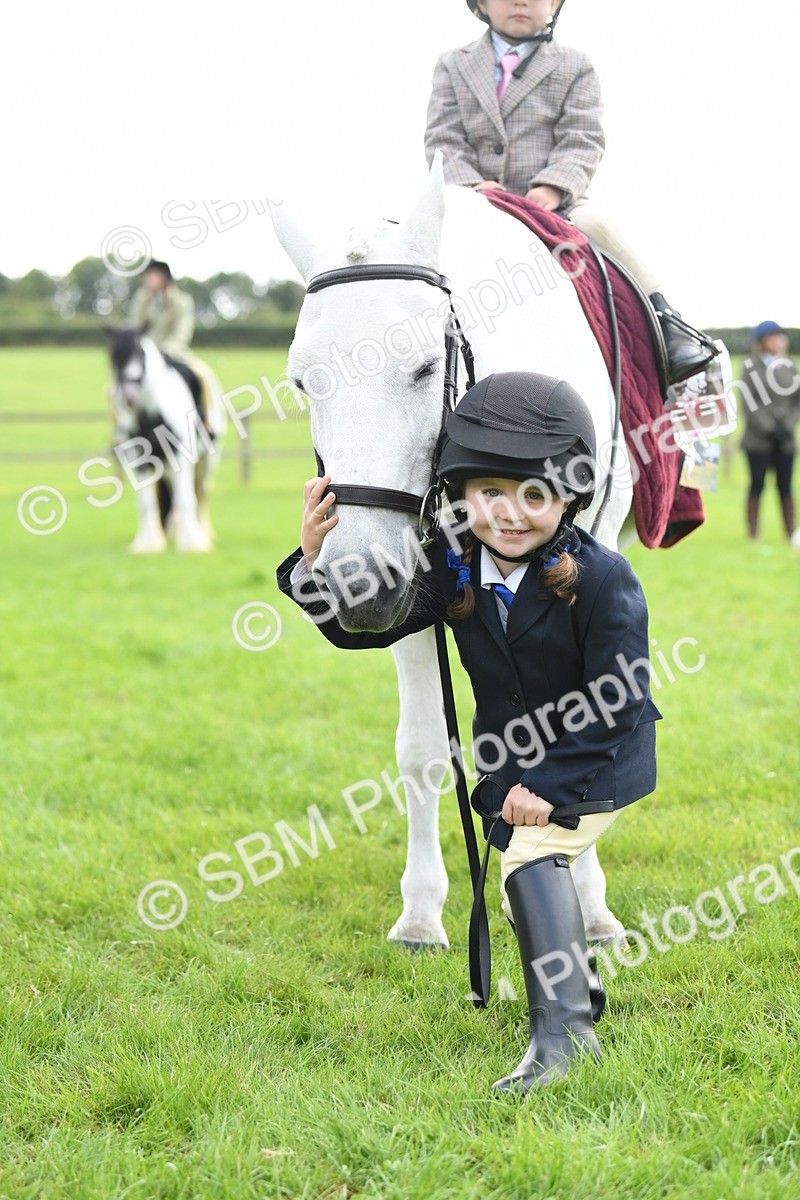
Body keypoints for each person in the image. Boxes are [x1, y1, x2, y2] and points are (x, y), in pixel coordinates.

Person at [277, 371, 661, 1093]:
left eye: (534, 496)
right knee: (523, 853)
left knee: (530, 858)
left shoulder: (605, 578)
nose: (509, 515)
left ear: (572, 498)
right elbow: (362, 631)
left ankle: (566, 1038)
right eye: (489, 494)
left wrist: (544, 788)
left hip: (594, 763)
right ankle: (581, 990)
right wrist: (313, 563)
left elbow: (620, 700)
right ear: (457, 496)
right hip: (512, 770)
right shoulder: (453, 571)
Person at [424, 0, 715, 385]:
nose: (520, 1)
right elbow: (443, 137)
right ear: (482, 3)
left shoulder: (575, 64)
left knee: (596, 223)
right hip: (475, 199)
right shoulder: (453, 64)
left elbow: (584, 137)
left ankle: (667, 322)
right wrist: (473, 184)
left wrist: (552, 186)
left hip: (553, 202)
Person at [129, 259, 217, 429]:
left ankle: (206, 423)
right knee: (116, 388)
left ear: (164, 278)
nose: (148, 280)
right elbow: (135, 326)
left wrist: (167, 349)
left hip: (173, 353)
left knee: (202, 375)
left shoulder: (182, 300)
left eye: (152, 275)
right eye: (147, 276)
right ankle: (123, 431)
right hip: (145, 355)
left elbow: (183, 330)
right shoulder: (142, 299)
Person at [739, 320, 800, 545]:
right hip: (758, 440)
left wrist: (788, 426)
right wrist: (769, 428)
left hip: (786, 440)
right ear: (763, 342)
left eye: (782, 337)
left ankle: (791, 532)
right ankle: (753, 534)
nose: (780, 341)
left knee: (786, 486)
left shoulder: (789, 365)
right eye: (775, 337)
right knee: (757, 484)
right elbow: (749, 402)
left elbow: (796, 400)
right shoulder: (750, 366)